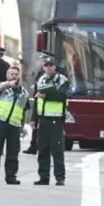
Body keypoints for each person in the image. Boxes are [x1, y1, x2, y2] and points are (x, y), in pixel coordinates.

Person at [31, 52, 70, 186]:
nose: (48, 68)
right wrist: (33, 119)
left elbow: (61, 95)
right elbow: (37, 100)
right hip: (43, 120)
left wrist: (46, 94)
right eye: (46, 66)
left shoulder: (62, 79)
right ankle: (44, 177)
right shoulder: (41, 79)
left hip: (56, 120)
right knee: (42, 150)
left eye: (50, 66)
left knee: (57, 150)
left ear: (55, 67)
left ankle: (60, 177)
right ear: (43, 67)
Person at [0, 66, 30, 185]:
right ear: (7, 76)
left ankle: (11, 176)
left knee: (13, 152)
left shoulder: (25, 93)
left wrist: (22, 126)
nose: (13, 76)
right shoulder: (2, 87)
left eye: (15, 74)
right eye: (11, 74)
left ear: (19, 76)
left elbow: (24, 111)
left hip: (14, 124)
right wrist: (10, 84)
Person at [23, 66, 45, 155]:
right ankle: (33, 146)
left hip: (46, 109)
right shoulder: (40, 72)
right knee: (35, 127)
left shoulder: (55, 75)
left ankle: (38, 147)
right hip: (39, 105)